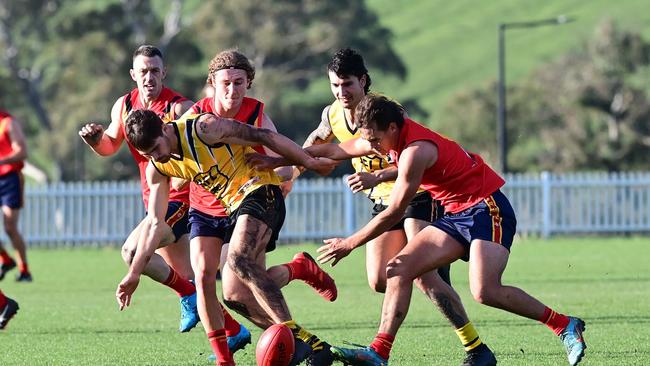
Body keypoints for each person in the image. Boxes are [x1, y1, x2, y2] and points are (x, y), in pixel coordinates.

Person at [301, 94, 587, 366]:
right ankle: (379, 352)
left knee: (485, 290)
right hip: (457, 213)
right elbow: (337, 149)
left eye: (376, 140)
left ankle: (563, 324)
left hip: (487, 207)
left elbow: (395, 211)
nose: (373, 147)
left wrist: (350, 243)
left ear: (391, 128)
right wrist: (280, 158)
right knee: (398, 268)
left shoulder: (415, 150)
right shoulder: (391, 137)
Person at [287, 48, 495, 365]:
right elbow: (316, 146)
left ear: (363, 81)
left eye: (348, 85)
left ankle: (474, 348)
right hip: (381, 202)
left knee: (420, 274)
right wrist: (289, 171)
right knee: (379, 280)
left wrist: (378, 175)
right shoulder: (332, 115)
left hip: (415, 197)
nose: (341, 92)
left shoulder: (385, 111)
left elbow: (414, 159)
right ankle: (432, 279)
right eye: (335, 85)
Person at [123, 109, 338, 365]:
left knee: (237, 259)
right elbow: (155, 222)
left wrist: (308, 162)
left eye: (157, 148)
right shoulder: (157, 166)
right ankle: (311, 345)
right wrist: (134, 273)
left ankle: (292, 333)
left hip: (261, 191)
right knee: (234, 295)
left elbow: (265, 135)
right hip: (232, 209)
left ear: (165, 127)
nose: (157, 156)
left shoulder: (205, 128)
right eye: (148, 154)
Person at [187, 50, 338, 363]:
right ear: (212, 83)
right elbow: (176, 157)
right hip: (210, 208)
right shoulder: (196, 117)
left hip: (250, 202)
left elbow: (280, 149)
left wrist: (290, 168)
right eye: (225, 83)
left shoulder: (256, 115)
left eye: (239, 82)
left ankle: (299, 342)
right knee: (234, 295)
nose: (232, 90)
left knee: (240, 270)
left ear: (249, 83)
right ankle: (297, 284)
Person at [78, 45, 200, 333]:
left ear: (164, 73)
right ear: (133, 74)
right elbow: (109, 145)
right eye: (143, 71)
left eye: (155, 71)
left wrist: (182, 179)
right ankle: (231, 333)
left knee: (134, 253)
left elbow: (200, 155)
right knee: (190, 278)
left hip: (181, 201)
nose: (149, 77)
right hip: (154, 201)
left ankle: (190, 295)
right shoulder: (124, 106)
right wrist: (95, 140)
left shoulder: (180, 108)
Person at [0, 109, 31, 282]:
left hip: (9, 179)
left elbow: (22, 152)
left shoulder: (7, 122)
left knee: (10, 227)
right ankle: (5, 258)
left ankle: (24, 270)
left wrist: (2, 160)